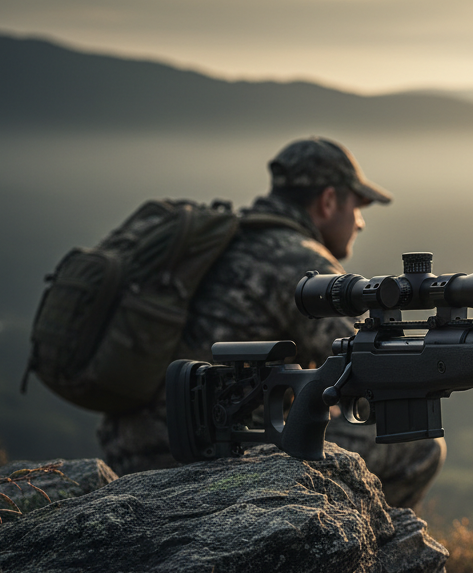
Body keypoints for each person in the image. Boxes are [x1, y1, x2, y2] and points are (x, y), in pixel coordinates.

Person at [96, 136, 445, 508]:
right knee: (418, 445)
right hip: (212, 454)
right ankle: (358, 550)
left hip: (130, 450)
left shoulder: (225, 240)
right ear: (328, 202)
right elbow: (368, 366)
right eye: (358, 207)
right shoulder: (298, 263)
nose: (360, 223)